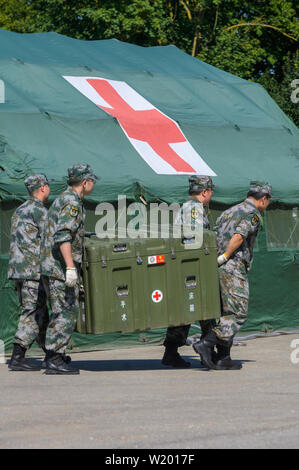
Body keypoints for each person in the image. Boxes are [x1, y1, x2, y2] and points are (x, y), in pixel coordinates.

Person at [193, 181, 272, 370]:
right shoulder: (252, 214)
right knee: (237, 313)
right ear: (264, 199)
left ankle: (223, 357)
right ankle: (206, 344)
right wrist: (226, 256)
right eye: (268, 201)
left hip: (216, 268)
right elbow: (238, 236)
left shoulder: (229, 211)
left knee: (223, 313)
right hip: (232, 267)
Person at [42, 164, 98, 375]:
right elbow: (63, 236)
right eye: (92, 180)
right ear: (85, 182)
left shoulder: (64, 199)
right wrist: (70, 267)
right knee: (64, 312)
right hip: (59, 268)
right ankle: (55, 359)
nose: (93, 184)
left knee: (60, 312)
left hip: (52, 266)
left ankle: (53, 356)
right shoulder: (71, 202)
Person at [162, 175, 215, 368]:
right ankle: (208, 347)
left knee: (184, 310)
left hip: (184, 266)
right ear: (204, 192)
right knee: (206, 306)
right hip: (193, 266)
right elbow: (196, 238)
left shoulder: (186, 207)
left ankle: (171, 352)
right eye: (210, 192)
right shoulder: (194, 208)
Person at [8, 174, 51, 371]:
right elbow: (49, 238)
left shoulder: (20, 210)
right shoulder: (39, 210)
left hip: (18, 269)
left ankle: (51, 353)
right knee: (32, 312)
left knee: (40, 311)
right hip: (32, 270)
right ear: (42, 188)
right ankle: (18, 355)